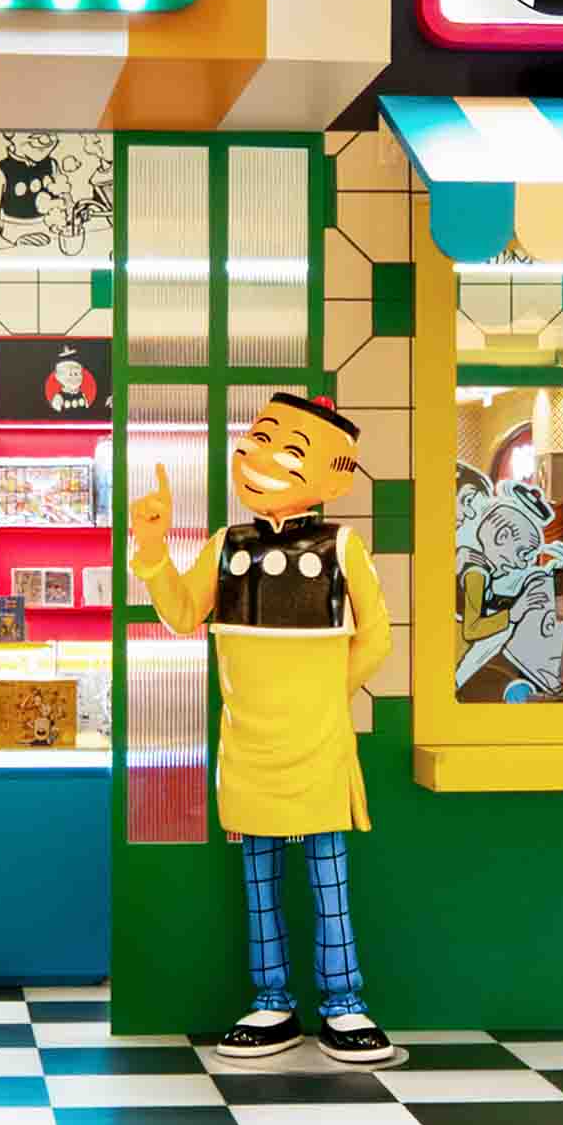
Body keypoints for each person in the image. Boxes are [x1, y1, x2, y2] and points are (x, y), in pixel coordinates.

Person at [128, 394, 399, 1068]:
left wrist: (325, 698)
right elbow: (182, 613)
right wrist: (153, 548)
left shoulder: (342, 547)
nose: (259, 455)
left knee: (329, 879)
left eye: (289, 447)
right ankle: (271, 998)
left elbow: (377, 637)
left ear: (336, 473)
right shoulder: (226, 546)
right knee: (259, 881)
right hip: (247, 744)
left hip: (318, 744)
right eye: (258, 438)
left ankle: (344, 1002)